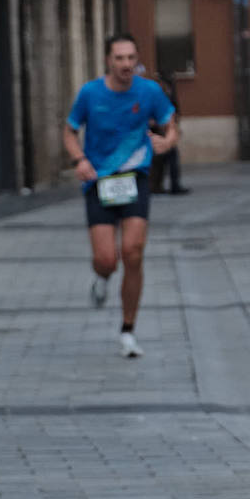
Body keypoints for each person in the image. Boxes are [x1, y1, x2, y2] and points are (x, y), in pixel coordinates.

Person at [63, 35, 177, 359]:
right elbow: (70, 131)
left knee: (133, 252)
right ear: (108, 62)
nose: (126, 65)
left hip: (135, 180)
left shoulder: (149, 91)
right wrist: (79, 160)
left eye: (131, 58)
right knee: (107, 260)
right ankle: (101, 278)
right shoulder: (90, 93)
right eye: (119, 58)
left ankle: (128, 330)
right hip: (99, 181)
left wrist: (167, 142)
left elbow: (171, 125)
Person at [153, 71, 190, 195]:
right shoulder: (161, 94)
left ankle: (159, 185)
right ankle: (164, 185)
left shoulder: (164, 93)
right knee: (166, 160)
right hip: (160, 133)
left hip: (164, 133)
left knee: (164, 160)